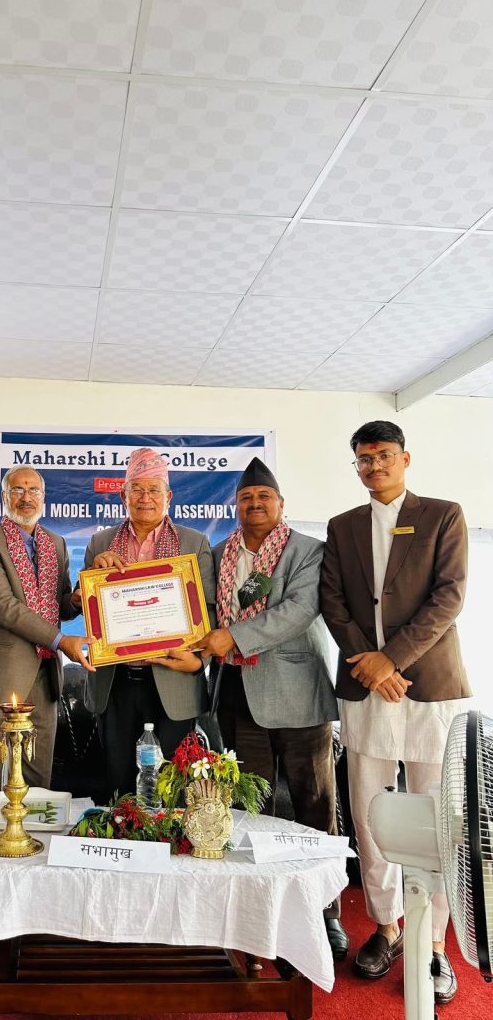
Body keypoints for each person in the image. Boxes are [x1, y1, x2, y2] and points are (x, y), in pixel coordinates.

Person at [320, 420, 469, 1003]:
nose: (373, 466)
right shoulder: (342, 526)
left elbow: (449, 596)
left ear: (405, 458)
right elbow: (332, 601)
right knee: (369, 812)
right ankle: (386, 927)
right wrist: (371, 665)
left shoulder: (444, 515)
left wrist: (393, 659)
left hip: (428, 686)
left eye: (383, 455)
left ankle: (433, 944)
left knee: (439, 819)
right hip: (366, 687)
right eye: (363, 458)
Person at [192, 456, 347, 960]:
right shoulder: (219, 553)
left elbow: (299, 610)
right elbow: (198, 608)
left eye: (263, 497)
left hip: (298, 693)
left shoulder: (308, 550)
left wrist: (232, 636)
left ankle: (325, 912)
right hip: (237, 694)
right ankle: (259, 909)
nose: (254, 504)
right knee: (249, 809)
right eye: (246, 498)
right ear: (235, 505)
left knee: (314, 805)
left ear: (281, 504)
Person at [82, 448, 215, 799]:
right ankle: (120, 836)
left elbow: (210, 611)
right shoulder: (100, 543)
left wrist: (199, 660)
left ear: (168, 497)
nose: (145, 498)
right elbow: (86, 608)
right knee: (118, 786)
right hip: (116, 682)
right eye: (137, 490)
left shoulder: (193, 542)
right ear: (123, 496)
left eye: (154, 490)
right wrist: (94, 578)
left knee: (171, 789)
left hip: (174, 681)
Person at [0, 466, 92, 806]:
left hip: (44, 677)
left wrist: (76, 601)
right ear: (4, 497)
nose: (26, 497)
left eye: (33, 491)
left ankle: (29, 837)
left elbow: (58, 604)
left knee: (36, 780)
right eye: (17, 490)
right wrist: (61, 641)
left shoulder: (55, 543)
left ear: (43, 498)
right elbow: (1, 606)